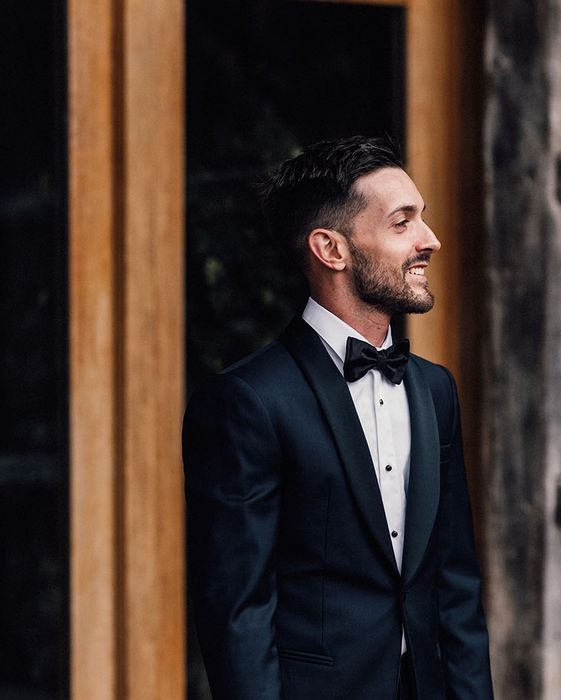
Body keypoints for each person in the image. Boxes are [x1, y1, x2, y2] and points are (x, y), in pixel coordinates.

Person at [183, 136, 493, 700]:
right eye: (403, 224)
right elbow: (237, 613)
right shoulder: (247, 401)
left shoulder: (435, 389)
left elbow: (455, 582)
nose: (431, 240)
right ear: (332, 249)